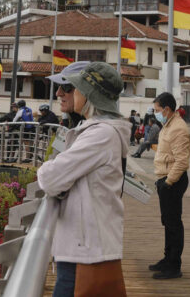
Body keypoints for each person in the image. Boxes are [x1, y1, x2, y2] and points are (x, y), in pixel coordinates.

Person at [37, 62, 130, 297]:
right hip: (84, 247)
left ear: (89, 94)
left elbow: (50, 179)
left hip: (85, 252)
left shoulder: (101, 134)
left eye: (74, 88)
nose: (64, 93)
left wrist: (49, 169)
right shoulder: (99, 131)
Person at [150, 92, 190, 280]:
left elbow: (182, 161)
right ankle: (168, 259)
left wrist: (168, 182)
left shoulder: (178, 128)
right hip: (165, 179)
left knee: (173, 224)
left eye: (157, 110)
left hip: (172, 181)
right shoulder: (168, 124)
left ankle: (174, 266)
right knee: (168, 222)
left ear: (166, 109)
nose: (155, 113)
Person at [49, 61, 88, 128]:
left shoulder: (97, 131)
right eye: (58, 85)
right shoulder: (76, 120)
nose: (58, 93)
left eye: (66, 87)